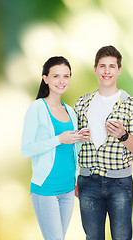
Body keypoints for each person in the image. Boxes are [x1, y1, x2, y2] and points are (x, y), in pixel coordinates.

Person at [74, 45, 133, 240]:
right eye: (102, 66)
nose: (107, 71)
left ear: (119, 70)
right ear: (95, 69)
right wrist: (76, 177)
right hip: (88, 182)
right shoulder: (81, 104)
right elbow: (75, 145)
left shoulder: (132, 105)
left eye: (112, 66)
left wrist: (124, 136)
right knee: (92, 237)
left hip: (119, 184)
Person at [21, 56, 89, 240]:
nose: (61, 81)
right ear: (45, 79)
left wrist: (81, 139)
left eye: (66, 76)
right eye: (56, 76)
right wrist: (58, 139)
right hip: (46, 188)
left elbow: (70, 148)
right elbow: (26, 149)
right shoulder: (37, 108)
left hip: (67, 187)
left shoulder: (70, 111)